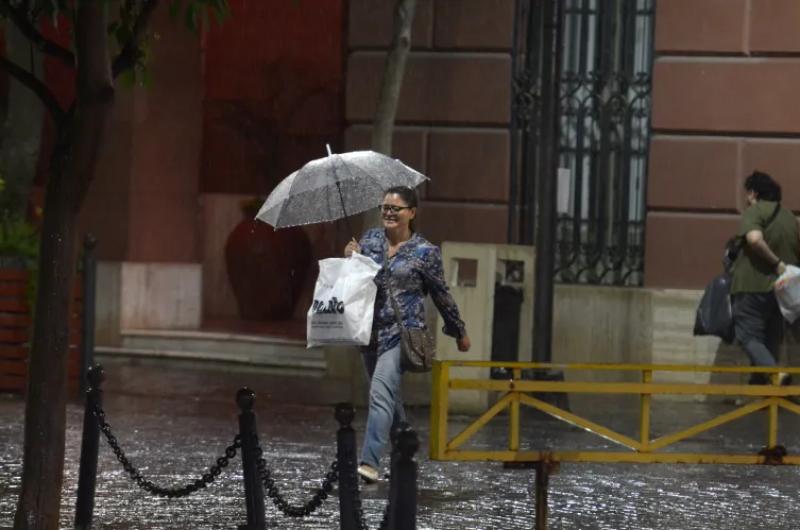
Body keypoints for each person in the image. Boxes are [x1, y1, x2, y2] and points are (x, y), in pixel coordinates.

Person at [344, 186, 470, 483]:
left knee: (380, 391)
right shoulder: (370, 240)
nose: (388, 212)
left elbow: (441, 294)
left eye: (395, 208)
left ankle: (370, 463)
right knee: (388, 397)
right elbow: (356, 279)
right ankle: (405, 450)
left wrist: (458, 330)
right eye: (384, 207)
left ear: (411, 213)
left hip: (403, 333)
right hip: (370, 330)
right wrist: (350, 256)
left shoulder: (426, 252)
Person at [730, 171, 800, 384]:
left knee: (748, 336)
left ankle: (774, 374)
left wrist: (776, 263)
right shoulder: (789, 217)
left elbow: (754, 239)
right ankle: (765, 396)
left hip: (752, 286)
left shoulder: (754, 211)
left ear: (753, 193)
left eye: (747, 194)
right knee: (770, 341)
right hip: (782, 292)